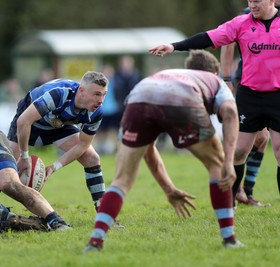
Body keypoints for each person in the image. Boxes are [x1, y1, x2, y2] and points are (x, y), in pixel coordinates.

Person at [83, 50, 243, 253]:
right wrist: (229, 162)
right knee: (217, 165)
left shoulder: (167, 75)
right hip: (181, 100)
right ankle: (229, 239)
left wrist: (168, 189)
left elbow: (148, 148)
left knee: (122, 179)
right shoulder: (214, 80)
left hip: (139, 97)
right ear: (215, 71)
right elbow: (230, 112)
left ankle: (95, 242)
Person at [149, 0, 280, 203]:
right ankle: (231, 204)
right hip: (250, 96)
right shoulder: (241, 23)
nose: (252, 5)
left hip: (277, 96)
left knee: (279, 151)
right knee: (238, 152)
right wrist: (174, 46)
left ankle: (251, 193)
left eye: (257, 1)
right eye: (250, 0)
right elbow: (207, 37)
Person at [0, 71, 109, 215]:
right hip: (30, 121)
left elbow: (83, 145)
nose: (101, 100)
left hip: (58, 125)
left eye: (104, 94)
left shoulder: (96, 112)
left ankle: (104, 215)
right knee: (4, 165)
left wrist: (54, 167)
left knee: (92, 158)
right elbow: (24, 121)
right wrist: (24, 157)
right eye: (96, 94)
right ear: (81, 91)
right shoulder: (59, 95)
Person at [219, 3, 280, 207]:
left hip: (274, 87)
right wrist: (226, 77)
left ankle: (246, 191)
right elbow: (226, 42)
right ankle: (238, 191)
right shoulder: (250, 15)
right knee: (259, 137)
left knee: (262, 140)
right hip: (249, 83)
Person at [94, 64, 120, 154]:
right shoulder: (98, 85)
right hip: (102, 110)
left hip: (113, 110)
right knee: (100, 130)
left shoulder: (117, 82)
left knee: (112, 129)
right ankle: (98, 147)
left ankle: (109, 147)